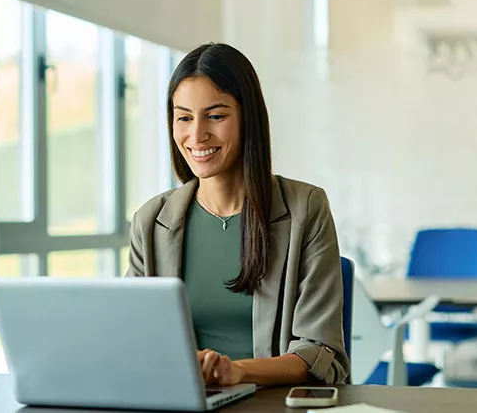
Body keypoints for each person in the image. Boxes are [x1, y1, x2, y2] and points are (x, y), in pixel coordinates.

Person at [127, 42, 348, 387]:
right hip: (180, 402)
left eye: (215, 116)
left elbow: (320, 352)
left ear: (249, 118)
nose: (197, 135)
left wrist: (237, 371)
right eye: (183, 117)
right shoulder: (151, 221)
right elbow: (133, 339)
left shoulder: (306, 208)